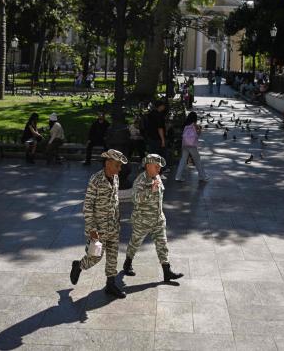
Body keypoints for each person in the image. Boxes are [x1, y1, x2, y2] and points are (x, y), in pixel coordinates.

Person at [70, 149, 128, 298]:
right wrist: (92, 229)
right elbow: (87, 206)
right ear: (108, 163)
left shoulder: (115, 178)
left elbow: (115, 201)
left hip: (114, 226)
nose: (119, 169)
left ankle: (110, 284)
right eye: (117, 165)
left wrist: (118, 220)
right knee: (95, 257)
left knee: (113, 256)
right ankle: (79, 265)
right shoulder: (95, 180)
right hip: (99, 229)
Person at [123, 154, 184, 283]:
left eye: (159, 167)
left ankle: (167, 272)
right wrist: (150, 190)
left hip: (158, 219)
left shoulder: (157, 177)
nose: (159, 169)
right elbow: (134, 199)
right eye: (156, 167)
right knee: (135, 243)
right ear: (147, 166)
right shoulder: (140, 181)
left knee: (162, 245)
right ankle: (127, 264)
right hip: (142, 220)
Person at [175, 112, 209, 182]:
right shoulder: (194, 125)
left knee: (183, 160)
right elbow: (198, 134)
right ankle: (202, 177)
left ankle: (178, 176)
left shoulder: (185, 124)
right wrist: (199, 129)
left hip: (185, 144)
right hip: (192, 145)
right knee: (197, 160)